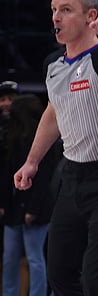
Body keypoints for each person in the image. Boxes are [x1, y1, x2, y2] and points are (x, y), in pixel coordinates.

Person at [12, 0, 98, 295]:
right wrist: (32, 162)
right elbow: (54, 112)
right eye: (54, 10)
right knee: (58, 275)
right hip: (72, 178)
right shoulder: (53, 65)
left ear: (90, 16)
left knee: (95, 281)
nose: (56, 17)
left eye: (66, 10)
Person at [0, 95, 60, 296]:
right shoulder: (13, 139)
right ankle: (9, 293)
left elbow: (44, 180)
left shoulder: (42, 143)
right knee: (10, 258)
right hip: (13, 207)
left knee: (35, 258)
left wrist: (33, 208)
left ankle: (37, 294)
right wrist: (4, 203)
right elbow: (7, 175)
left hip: (37, 208)